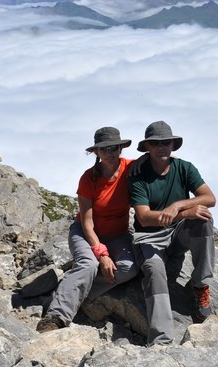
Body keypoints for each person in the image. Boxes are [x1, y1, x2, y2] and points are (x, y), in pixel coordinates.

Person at [36, 127, 140, 332]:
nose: (110, 153)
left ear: (121, 148)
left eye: (114, 148)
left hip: (118, 234)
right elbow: (86, 222)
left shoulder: (132, 169)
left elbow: (158, 164)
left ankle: (72, 292)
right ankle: (56, 316)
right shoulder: (88, 179)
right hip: (85, 234)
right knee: (88, 265)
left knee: (129, 268)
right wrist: (101, 254)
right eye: (104, 149)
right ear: (96, 153)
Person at [129, 121, 216, 345]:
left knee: (203, 218)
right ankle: (161, 340)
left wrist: (178, 205)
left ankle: (199, 285)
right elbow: (144, 218)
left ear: (173, 144)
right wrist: (181, 214)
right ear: (147, 146)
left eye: (166, 142)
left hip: (176, 234)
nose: (162, 147)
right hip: (148, 237)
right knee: (155, 270)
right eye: (155, 143)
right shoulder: (138, 174)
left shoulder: (184, 167)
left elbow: (210, 198)